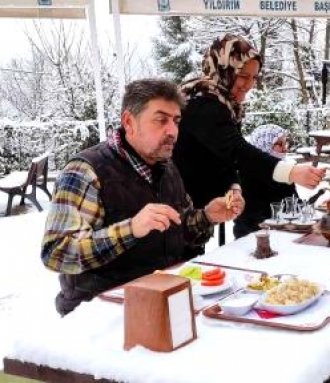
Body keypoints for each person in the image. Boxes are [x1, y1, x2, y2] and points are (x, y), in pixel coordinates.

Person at [41, 79, 244, 316]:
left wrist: (207, 216)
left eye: (176, 121)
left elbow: (181, 230)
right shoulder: (86, 171)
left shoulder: (167, 168)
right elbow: (57, 253)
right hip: (102, 314)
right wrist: (131, 229)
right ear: (129, 122)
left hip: (163, 303)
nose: (172, 131)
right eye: (161, 120)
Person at [173, 34, 324, 239]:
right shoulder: (203, 104)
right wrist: (291, 172)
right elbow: (237, 150)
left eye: (254, 77)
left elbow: (225, 155)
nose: (250, 84)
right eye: (243, 76)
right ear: (224, 70)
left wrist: (233, 186)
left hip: (198, 213)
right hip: (178, 214)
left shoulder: (224, 103)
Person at [233, 124, 297, 238]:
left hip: (283, 232)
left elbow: (294, 204)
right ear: (264, 145)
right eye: (279, 144)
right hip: (253, 238)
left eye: (285, 143)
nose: (285, 148)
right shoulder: (247, 175)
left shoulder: (284, 171)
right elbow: (250, 219)